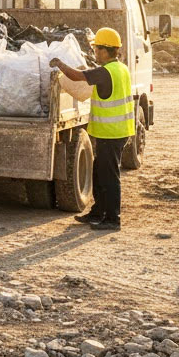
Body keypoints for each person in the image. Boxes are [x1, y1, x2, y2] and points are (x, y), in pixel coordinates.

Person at [50, 26, 135, 232]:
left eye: (97, 49)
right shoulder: (120, 68)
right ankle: (98, 213)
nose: (95, 53)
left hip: (112, 134)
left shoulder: (107, 71)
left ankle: (112, 219)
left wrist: (59, 64)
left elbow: (78, 76)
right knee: (99, 173)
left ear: (106, 51)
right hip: (115, 132)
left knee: (109, 177)